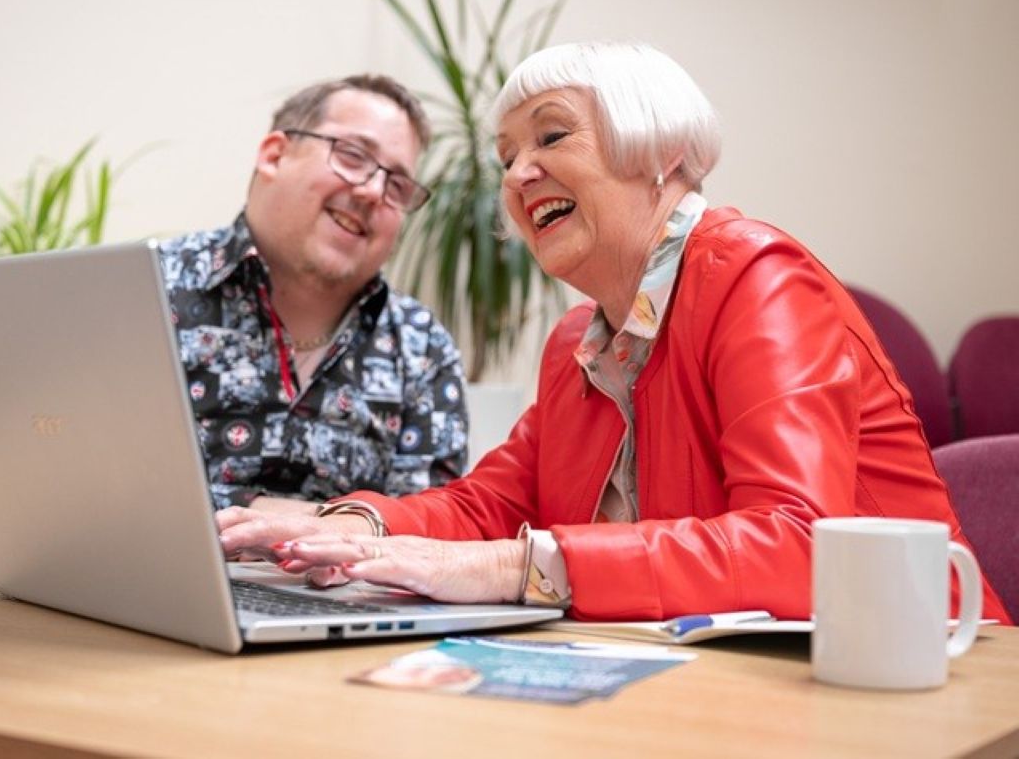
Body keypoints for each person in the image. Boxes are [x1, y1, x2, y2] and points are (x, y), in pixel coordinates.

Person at [214, 43, 1011, 623]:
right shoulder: (578, 343)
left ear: (662, 151)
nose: (518, 173)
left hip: (920, 669)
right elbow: (493, 503)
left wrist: (511, 568)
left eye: (551, 136)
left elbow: (799, 541)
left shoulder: (757, 275)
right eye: (506, 157)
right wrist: (351, 526)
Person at [160, 75, 468, 515]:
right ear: (275, 155)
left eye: (397, 185)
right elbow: (98, 479)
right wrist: (273, 514)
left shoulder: (423, 348)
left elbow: (428, 528)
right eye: (353, 156)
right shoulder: (154, 288)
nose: (372, 191)